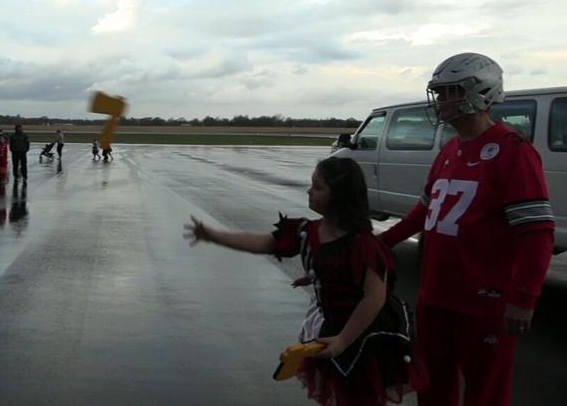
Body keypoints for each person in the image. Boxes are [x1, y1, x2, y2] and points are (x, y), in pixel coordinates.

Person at [377, 52, 554, 406]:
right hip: (437, 296)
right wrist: (378, 243)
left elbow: (536, 234)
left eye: (450, 91)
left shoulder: (513, 151)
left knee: (485, 393)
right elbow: (424, 213)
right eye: (439, 92)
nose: (441, 101)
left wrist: (522, 299)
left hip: (484, 302)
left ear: (482, 92)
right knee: (432, 387)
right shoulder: (450, 149)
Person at [185, 157, 422, 406]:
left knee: (360, 395)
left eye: (318, 187)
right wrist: (214, 236)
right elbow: (266, 243)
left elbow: (374, 297)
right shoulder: (307, 232)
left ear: (341, 196)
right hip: (330, 325)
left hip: (361, 331)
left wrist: (343, 340)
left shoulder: (364, 246)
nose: (309, 191)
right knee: (336, 392)